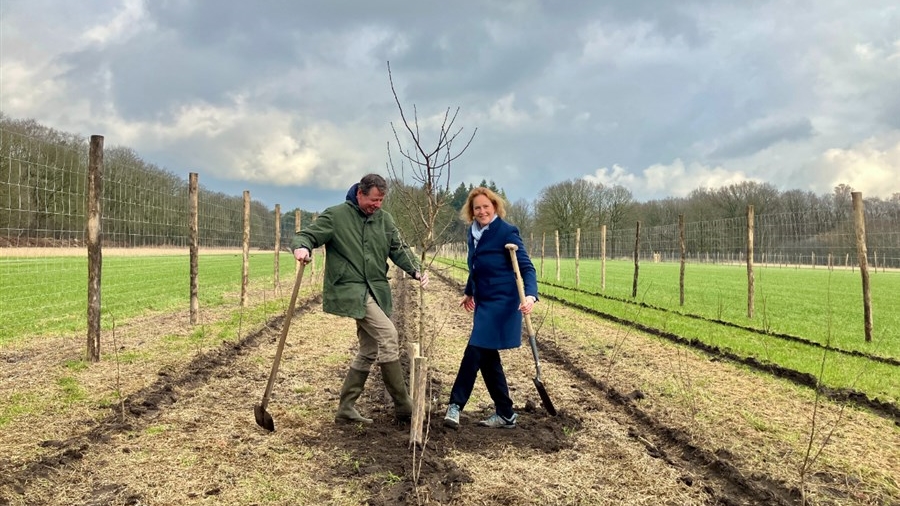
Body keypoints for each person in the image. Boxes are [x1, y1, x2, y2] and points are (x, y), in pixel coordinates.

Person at [291, 173, 429, 424]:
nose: (377, 205)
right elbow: (307, 235)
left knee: (368, 348)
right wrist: (302, 247)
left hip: (376, 289)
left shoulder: (385, 220)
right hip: (350, 289)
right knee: (388, 335)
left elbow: (398, 249)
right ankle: (403, 405)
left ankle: (346, 408)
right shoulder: (336, 216)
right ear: (360, 193)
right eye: (373, 200)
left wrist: (416, 270)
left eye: (381, 201)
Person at [443, 186, 537, 430]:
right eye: (477, 208)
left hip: (504, 302)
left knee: (475, 349)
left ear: (495, 206)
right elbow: (476, 267)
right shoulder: (472, 233)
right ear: (471, 212)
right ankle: (506, 413)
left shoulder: (506, 231)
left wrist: (530, 296)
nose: (482, 211)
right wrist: (469, 292)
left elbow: (526, 268)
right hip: (484, 302)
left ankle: (455, 405)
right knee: (487, 357)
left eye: (486, 206)